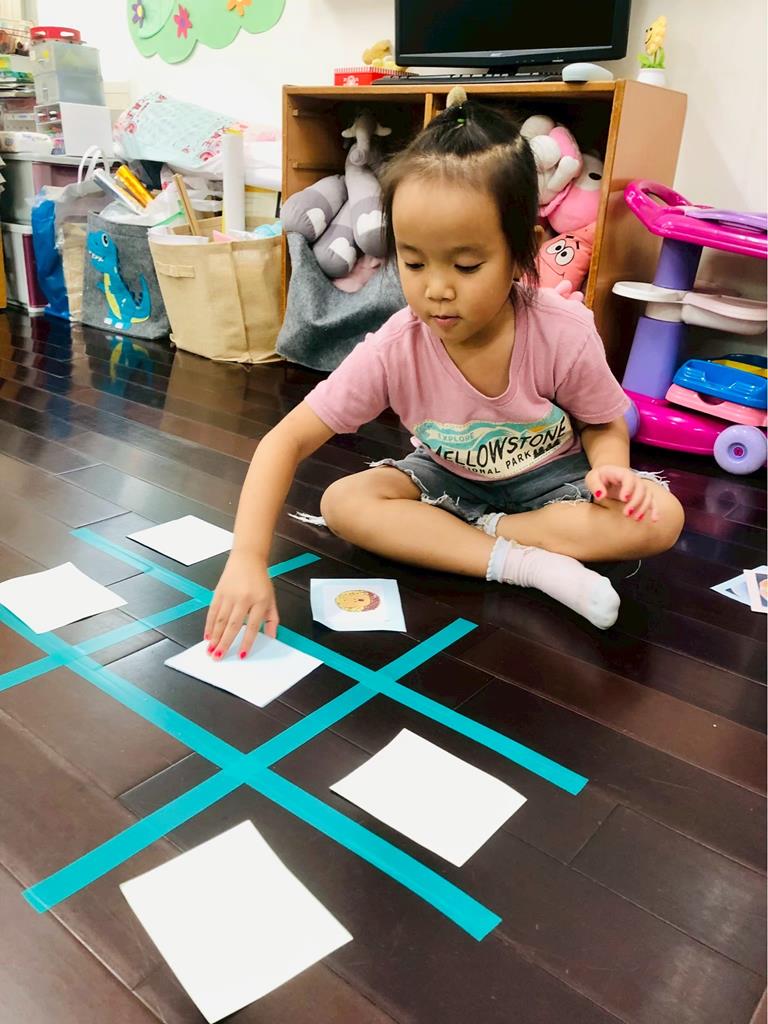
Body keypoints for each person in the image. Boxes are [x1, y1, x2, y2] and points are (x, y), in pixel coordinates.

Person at [204, 89, 684, 660]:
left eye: (466, 265)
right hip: (448, 484)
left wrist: (612, 471)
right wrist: (246, 559)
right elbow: (285, 441)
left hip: (555, 488)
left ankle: (481, 540)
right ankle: (526, 565)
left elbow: (603, 422)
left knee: (662, 519)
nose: (436, 288)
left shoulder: (563, 330)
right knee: (342, 502)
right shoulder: (395, 346)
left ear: (522, 253)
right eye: (413, 262)